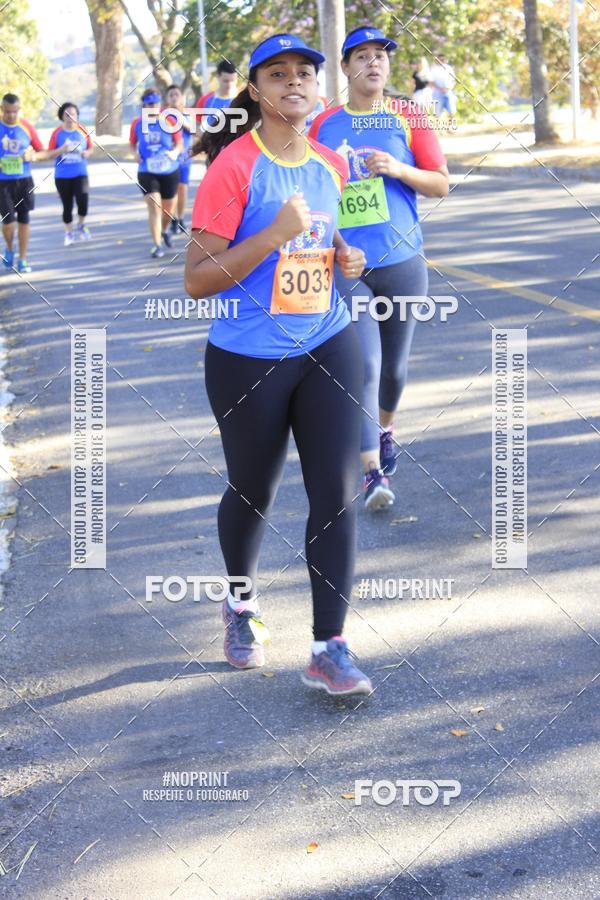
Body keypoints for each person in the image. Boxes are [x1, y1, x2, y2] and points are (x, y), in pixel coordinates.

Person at [185, 34, 373, 696]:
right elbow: (197, 279)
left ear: (318, 87)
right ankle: (240, 603)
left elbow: (320, 232)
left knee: (337, 491)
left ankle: (329, 647)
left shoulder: (331, 163)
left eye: (304, 72)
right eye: (277, 73)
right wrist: (272, 236)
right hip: (248, 357)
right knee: (252, 489)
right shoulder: (234, 168)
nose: (294, 81)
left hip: (329, 340)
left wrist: (346, 255)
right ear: (257, 90)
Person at [309, 26, 449, 511]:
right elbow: (309, 188)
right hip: (346, 266)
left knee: (393, 370)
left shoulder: (409, 116)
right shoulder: (322, 124)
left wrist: (397, 168)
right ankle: (372, 473)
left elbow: (440, 184)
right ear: (345, 67)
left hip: (402, 263)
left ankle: (385, 429)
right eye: (362, 56)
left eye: (381, 56)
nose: (373, 63)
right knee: (365, 365)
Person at [129, 88, 183, 258]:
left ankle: (164, 230)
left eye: (156, 103)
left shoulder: (169, 120)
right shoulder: (137, 123)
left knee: (168, 210)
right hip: (147, 170)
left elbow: (179, 143)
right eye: (150, 104)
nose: (154, 107)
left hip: (169, 169)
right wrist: (134, 154)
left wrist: (175, 153)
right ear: (144, 106)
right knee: (154, 205)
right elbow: (132, 143)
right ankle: (157, 245)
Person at [0, 92, 44, 273]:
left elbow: (42, 151)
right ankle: (10, 248)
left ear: (19, 109)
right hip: (3, 183)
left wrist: (32, 156)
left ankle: (23, 259)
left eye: (15, 111)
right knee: (8, 223)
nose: (11, 115)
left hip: (24, 181)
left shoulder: (27, 127)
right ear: (2, 109)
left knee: (24, 219)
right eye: (7, 111)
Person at [48, 102, 93, 246]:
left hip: (80, 172)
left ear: (77, 116)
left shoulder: (82, 130)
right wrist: (62, 149)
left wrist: (87, 153)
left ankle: (81, 224)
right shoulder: (57, 133)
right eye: (67, 115)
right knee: (67, 206)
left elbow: (91, 148)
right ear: (62, 116)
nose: (70, 117)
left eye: (73, 114)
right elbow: (49, 154)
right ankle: (68, 233)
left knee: (83, 200)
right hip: (62, 175)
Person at [164, 84, 192, 235]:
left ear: (182, 98)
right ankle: (173, 218)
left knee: (183, 188)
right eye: (171, 95)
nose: (174, 97)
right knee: (171, 190)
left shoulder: (187, 114)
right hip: (171, 158)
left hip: (185, 158)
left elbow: (196, 131)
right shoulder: (164, 116)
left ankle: (180, 219)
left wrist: (181, 120)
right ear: (167, 99)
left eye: (176, 95)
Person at [195, 60, 238, 128]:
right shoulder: (205, 100)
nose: (229, 85)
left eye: (233, 80)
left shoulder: (245, 100)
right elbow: (197, 126)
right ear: (218, 77)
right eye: (226, 81)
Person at [430, 53, 457, 124]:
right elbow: (431, 82)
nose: (442, 61)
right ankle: (437, 126)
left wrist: (447, 88)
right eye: (440, 59)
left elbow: (453, 80)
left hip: (448, 92)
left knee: (451, 110)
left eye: (443, 59)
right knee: (437, 112)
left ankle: (450, 125)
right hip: (437, 92)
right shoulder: (433, 69)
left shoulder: (449, 68)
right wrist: (440, 89)